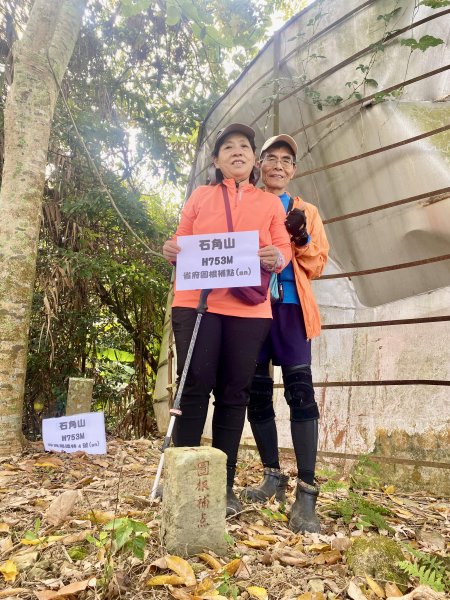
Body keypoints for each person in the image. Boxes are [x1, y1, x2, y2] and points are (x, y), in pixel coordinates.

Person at [162, 124, 291, 516]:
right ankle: (183, 483)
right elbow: (181, 240)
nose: (238, 152)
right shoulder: (199, 197)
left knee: (235, 392)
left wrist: (275, 257)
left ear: (254, 160)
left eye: (245, 147)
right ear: (217, 161)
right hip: (195, 302)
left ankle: (223, 485)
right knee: (193, 386)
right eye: (228, 148)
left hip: (248, 309)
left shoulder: (269, 204)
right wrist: (171, 248)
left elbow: (282, 249)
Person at [241, 134, 329, 533]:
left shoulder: (306, 210)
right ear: (259, 165)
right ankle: (273, 477)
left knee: (300, 390)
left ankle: (307, 493)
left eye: (286, 160)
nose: (278, 165)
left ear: (294, 170)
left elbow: (316, 266)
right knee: (256, 391)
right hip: (251, 306)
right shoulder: (245, 203)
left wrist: (302, 238)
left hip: (292, 309)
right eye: (271, 158)